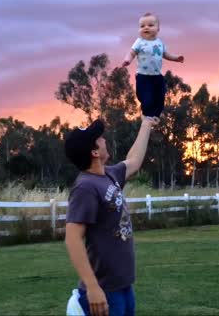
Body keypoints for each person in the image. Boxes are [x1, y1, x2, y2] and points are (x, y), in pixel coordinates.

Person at [64, 116, 158, 316]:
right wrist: (92, 288)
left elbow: (134, 161)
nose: (104, 139)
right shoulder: (85, 187)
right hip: (104, 291)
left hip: (123, 286)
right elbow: (72, 238)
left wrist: (146, 124)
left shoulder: (109, 175)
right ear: (95, 152)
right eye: (99, 138)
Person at [122, 12, 184, 122]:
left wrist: (176, 58)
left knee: (160, 96)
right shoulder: (139, 42)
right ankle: (147, 114)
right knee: (146, 98)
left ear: (158, 28)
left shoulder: (160, 43)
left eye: (150, 25)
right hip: (143, 76)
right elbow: (132, 53)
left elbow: (165, 54)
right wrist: (127, 60)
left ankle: (156, 114)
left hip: (157, 76)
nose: (146, 28)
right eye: (142, 26)